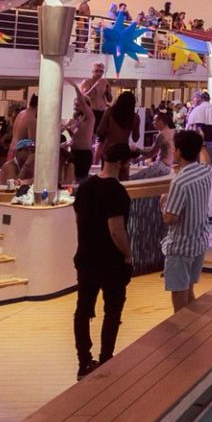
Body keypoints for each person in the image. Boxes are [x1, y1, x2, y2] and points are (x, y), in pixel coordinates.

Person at [73, 142, 134, 377]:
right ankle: (106, 358)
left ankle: (84, 362)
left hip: (86, 258)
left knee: (83, 310)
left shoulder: (85, 187)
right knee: (112, 310)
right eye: (128, 162)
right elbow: (116, 229)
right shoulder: (117, 192)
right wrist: (128, 255)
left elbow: (78, 221)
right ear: (120, 163)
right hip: (110, 262)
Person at [161, 131, 212, 310]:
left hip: (181, 246)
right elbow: (206, 160)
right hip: (199, 242)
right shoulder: (205, 172)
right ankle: (192, 325)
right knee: (189, 290)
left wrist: (163, 204)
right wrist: (201, 144)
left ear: (179, 152)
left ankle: (183, 327)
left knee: (179, 295)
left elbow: (170, 218)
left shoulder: (180, 182)